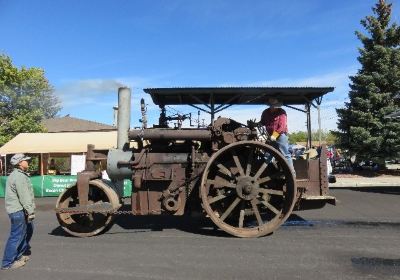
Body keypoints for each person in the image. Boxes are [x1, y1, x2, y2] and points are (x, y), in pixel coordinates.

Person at [1, 153, 35, 270]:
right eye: (26, 160)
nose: (28, 162)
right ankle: (7, 263)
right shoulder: (19, 177)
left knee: (28, 230)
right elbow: (24, 196)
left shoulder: (18, 175)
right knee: (16, 236)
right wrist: (30, 212)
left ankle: (18, 255)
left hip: (18, 210)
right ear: (20, 163)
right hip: (18, 211)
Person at [260, 98, 295, 175]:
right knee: (267, 154)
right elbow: (262, 122)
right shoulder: (265, 112)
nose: (274, 107)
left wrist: (274, 136)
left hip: (280, 135)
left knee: (285, 154)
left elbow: (282, 127)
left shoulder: (282, 112)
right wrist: (255, 124)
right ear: (270, 106)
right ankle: (266, 172)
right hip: (270, 136)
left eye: (275, 105)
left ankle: (291, 174)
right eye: (272, 105)